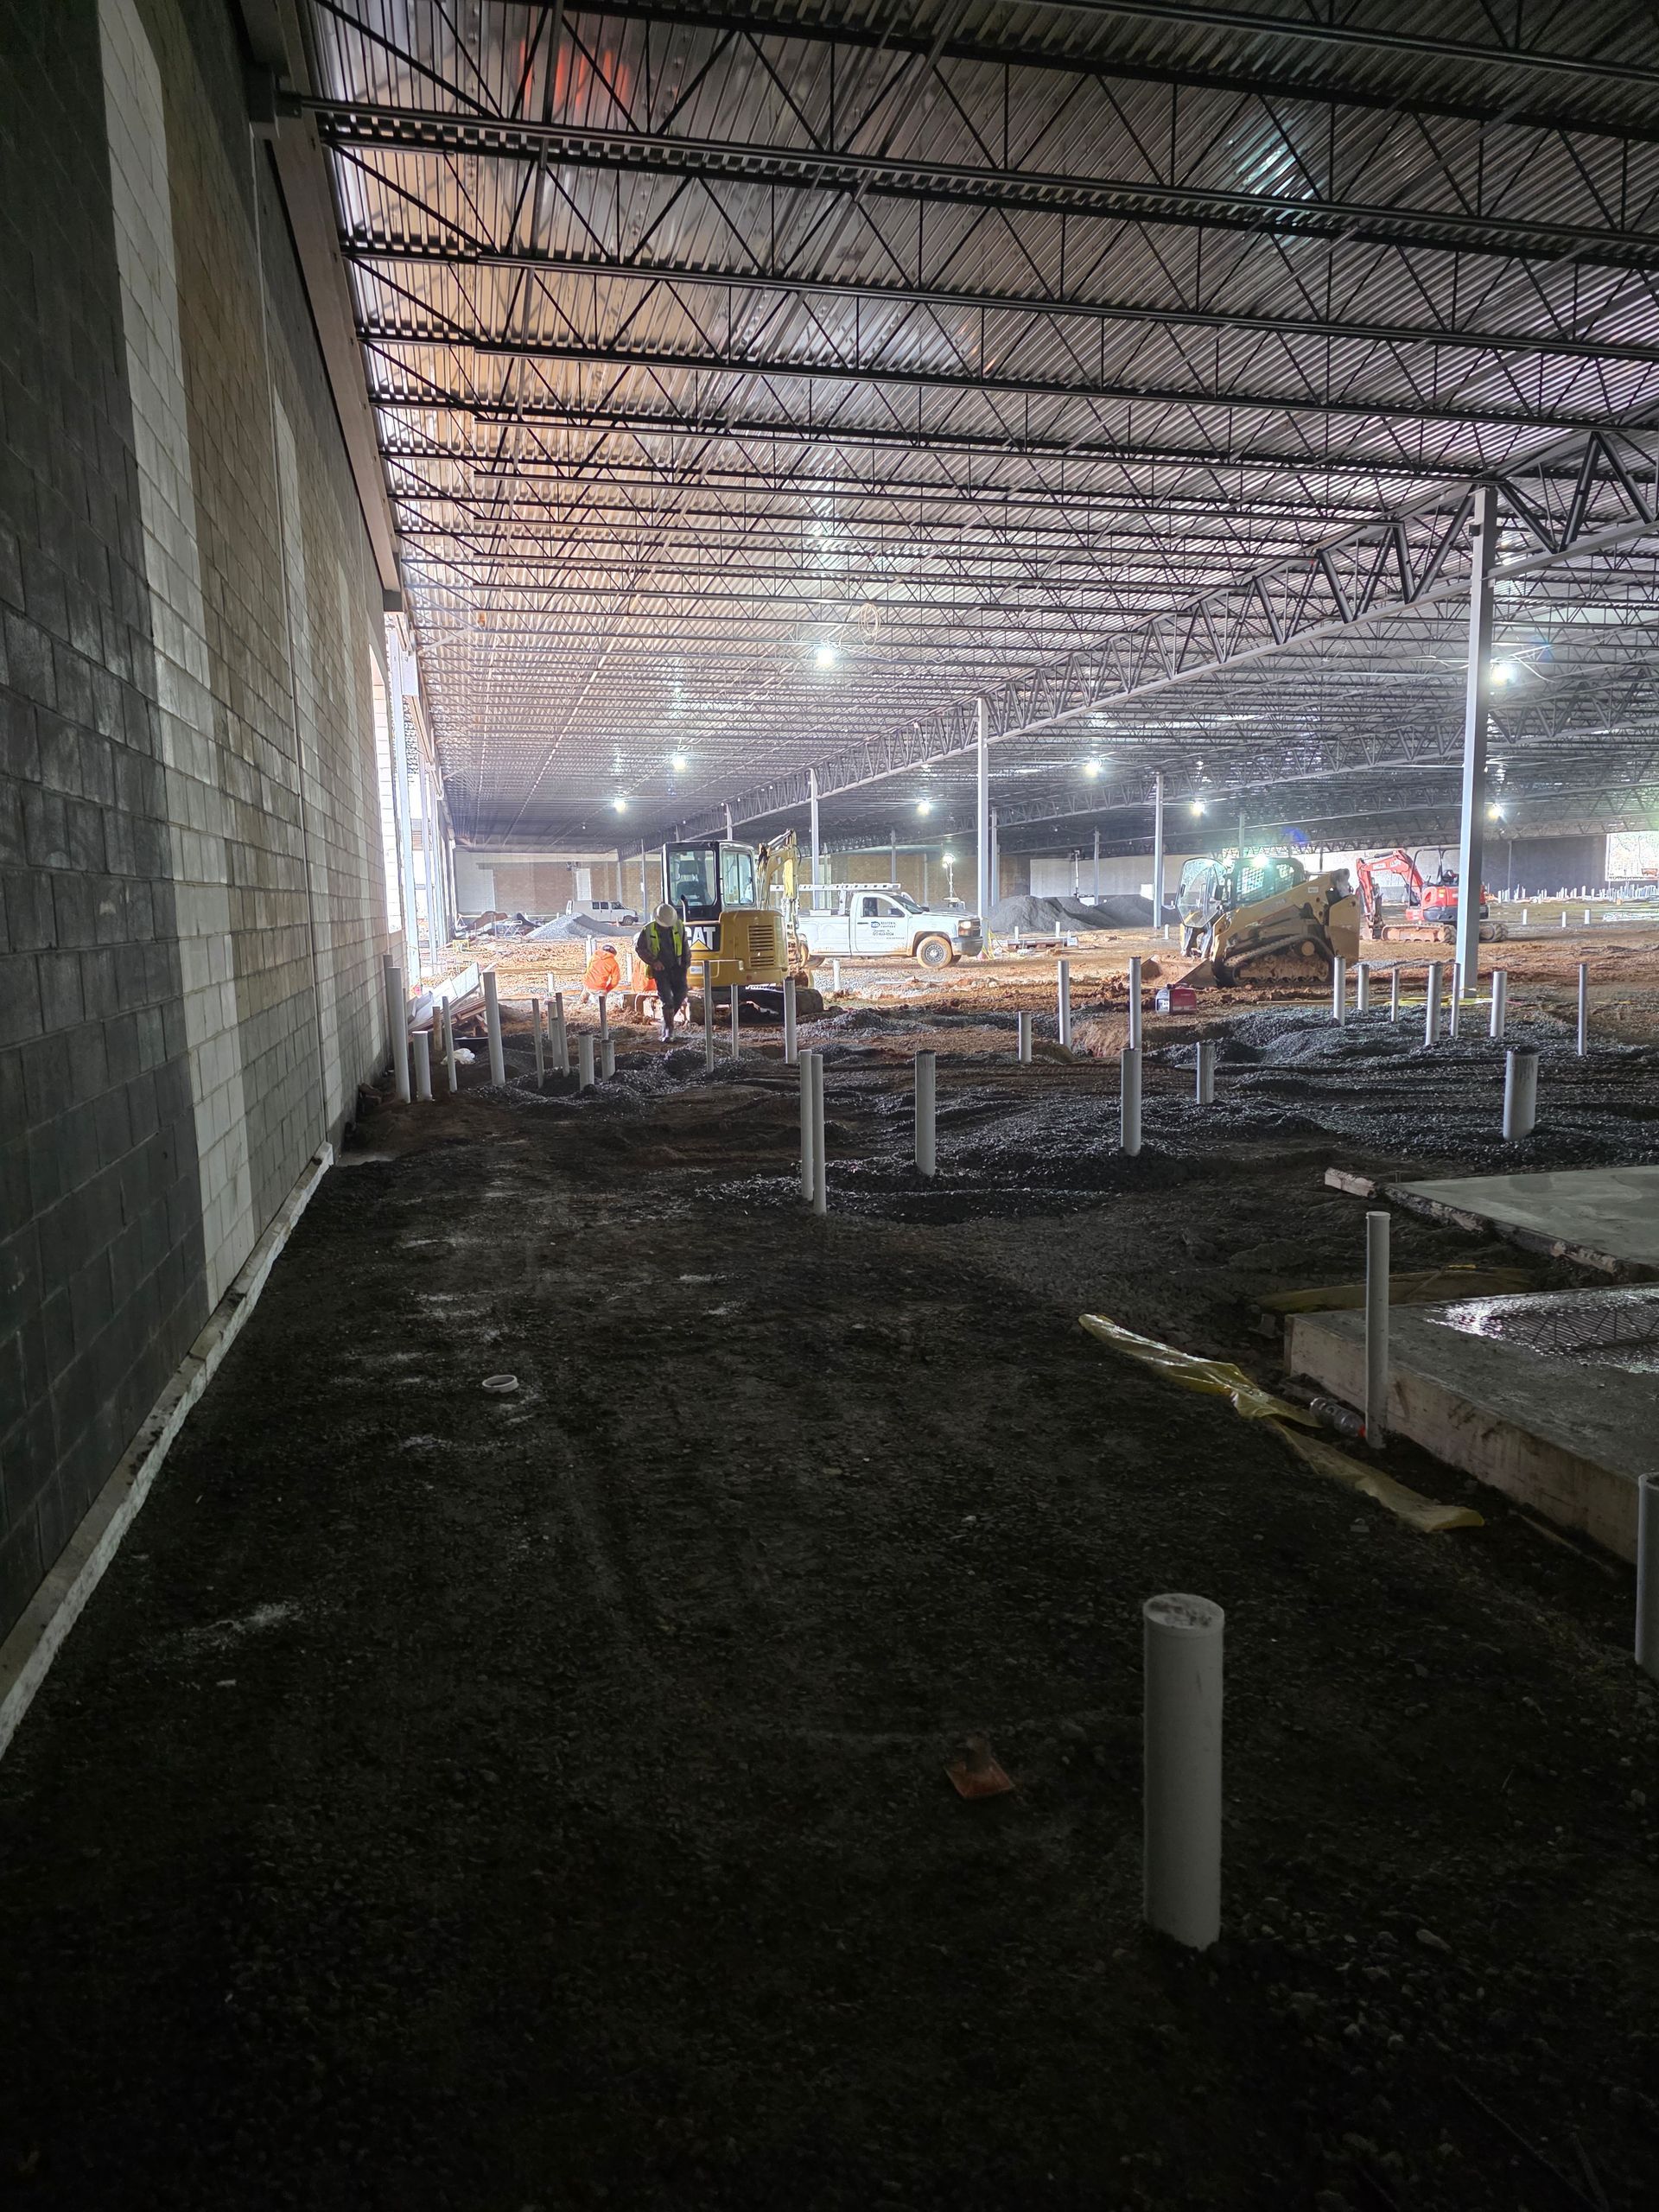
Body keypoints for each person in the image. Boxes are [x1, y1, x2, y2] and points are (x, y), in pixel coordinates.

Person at [635, 904, 692, 1040]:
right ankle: (668, 1030)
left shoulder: (679, 926)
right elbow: (640, 948)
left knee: (681, 993)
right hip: (661, 970)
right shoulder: (648, 930)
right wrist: (654, 961)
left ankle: (667, 1022)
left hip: (677, 968)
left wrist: (686, 964)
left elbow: (685, 946)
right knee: (667, 999)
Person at [582, 942, 621, 1008]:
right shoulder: (613, 963)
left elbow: (588, 969)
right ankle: (601, 1013)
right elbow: (615, 981)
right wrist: (607, 989)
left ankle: (579, 1006)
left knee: (582, 1001)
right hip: (599, 988)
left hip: (587, 984)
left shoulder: (594, 956)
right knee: (600, 1007)